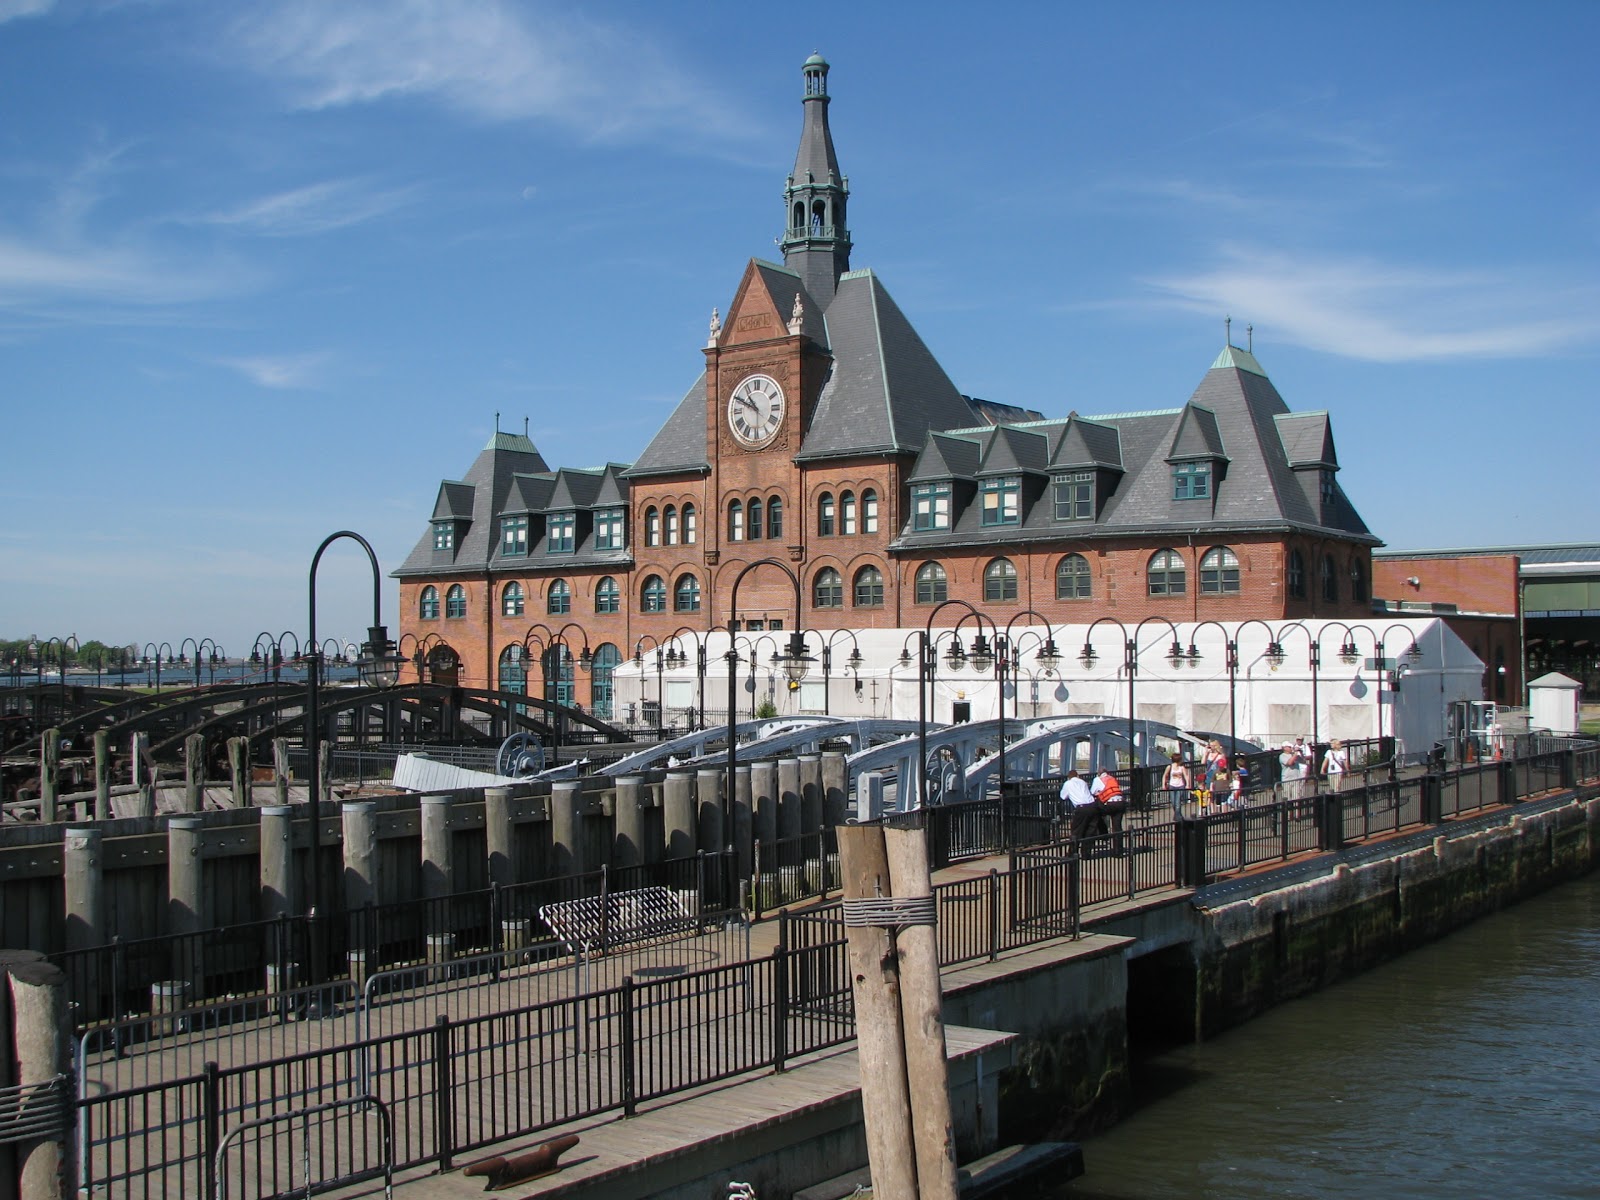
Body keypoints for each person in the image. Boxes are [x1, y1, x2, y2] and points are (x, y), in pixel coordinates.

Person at [1091, 767, 1128, 854]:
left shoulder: (1097, 779)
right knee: (1117, 827)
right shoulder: (1112, 778)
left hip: (1110, 804)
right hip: (1121, 803)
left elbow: (1092, 792)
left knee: (1096, 814)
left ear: (1099, 773)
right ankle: (1118, 851)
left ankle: (1103, 834)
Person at [1059, 770, 1101, 844]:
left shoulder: (1068, 783)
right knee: (1090, 832)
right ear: (1077, 776)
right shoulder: (1083, 782)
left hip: (1081, 808)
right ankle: (1086, 854)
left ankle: (1073, 853)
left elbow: (1063, 796)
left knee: (1076, 831)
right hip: (1093, 806)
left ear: (1068, 777)